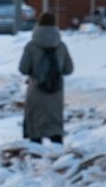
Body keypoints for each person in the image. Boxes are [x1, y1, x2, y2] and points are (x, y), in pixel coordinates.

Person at [19, 11, 73, 143]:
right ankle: (57, 152)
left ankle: (36, 153)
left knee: (35, 122)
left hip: (36, 89)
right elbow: (69, 69)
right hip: (56, 90)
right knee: (54, 121)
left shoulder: (31, 46)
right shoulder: (61, 46)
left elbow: (23, 68)